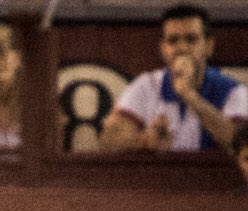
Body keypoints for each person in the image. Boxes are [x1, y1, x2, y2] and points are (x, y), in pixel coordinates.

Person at [99, 4, 247, 152]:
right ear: (163, 48)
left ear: (208, 46)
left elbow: (242, 143)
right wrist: (144, 141)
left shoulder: (232, 90)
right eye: (173, 40)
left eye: (191, 39)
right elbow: (108, 141)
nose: (181, 48)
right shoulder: (147, 85)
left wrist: (189, 95)